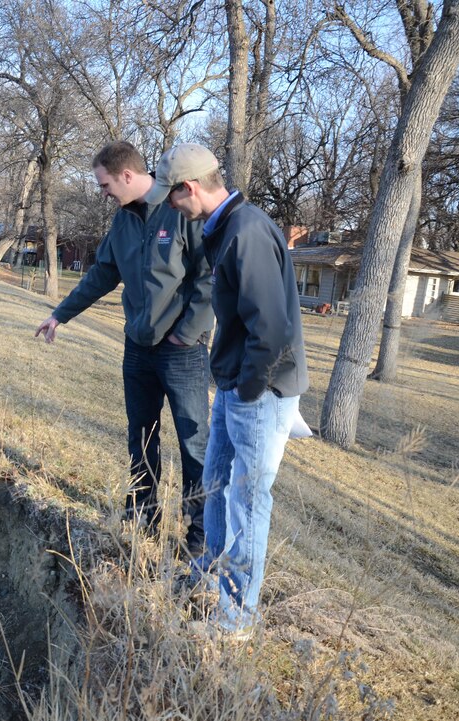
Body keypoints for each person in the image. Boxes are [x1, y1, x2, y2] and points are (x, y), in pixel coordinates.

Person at [145, 142, 309, 636]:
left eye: (172, 196)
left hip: (259, 392)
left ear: (190, 188)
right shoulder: (223, 228)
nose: (170, 206)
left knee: (247, 500)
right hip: (236, 384)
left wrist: (249, 391)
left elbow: (272, 329)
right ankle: (209, 577)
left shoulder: (247, 232)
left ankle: (234, 621)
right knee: (215, 485)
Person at [35, 141, 214, 553]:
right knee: (141, 434)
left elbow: (209, 278)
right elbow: (102, 274)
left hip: (182, 351)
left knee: (193, 442)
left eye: (104, 184)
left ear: (128, 176)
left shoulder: (181, 208)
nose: (103, 193)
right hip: (137, 348)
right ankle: (142, 516)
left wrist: (187, 333)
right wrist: (60, 314)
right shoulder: (122, 222)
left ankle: (198, 535)